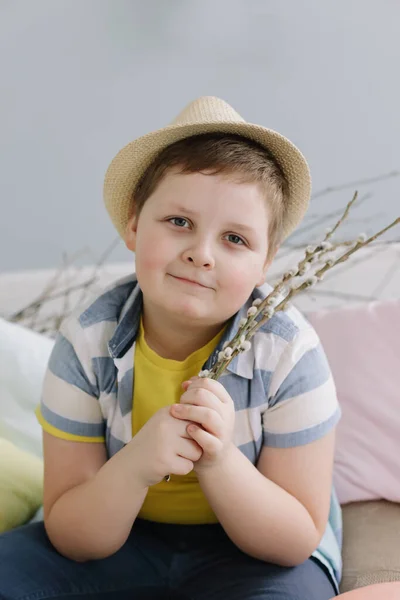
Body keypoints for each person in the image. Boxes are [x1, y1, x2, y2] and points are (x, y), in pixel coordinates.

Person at [0, 96, 342, 600]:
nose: (200, 254)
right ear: (135, 225)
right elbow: (73, 536)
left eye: (234, 239)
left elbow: (293, 539)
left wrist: (220, 460)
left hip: (252, 555)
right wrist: (137, 462)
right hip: (123, 535)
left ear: (265, 263)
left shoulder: (289, 353)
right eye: (179, 222)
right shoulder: (86, 342)